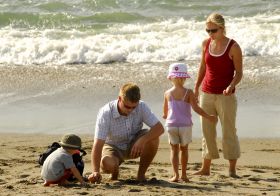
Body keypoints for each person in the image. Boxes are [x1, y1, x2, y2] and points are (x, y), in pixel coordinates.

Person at [193, 13, 243, 177]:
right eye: (207, 30)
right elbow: (202, 68)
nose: (210, 34)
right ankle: (206, 168)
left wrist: (231, 85)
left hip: (225, 96)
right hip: (206, 93)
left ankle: (232, 169)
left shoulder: (233, 47)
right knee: (207, 131)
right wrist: (196, 87)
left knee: (228, 131)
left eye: (213, 30)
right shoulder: (206, 44)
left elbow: (239, 73)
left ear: (222, 28)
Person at [88, 82, 164, 183]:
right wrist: (95, 171)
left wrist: (142, 140)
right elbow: (98, 144)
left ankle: (141, 176)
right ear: (119, 99)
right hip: (113, 147)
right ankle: (114, 176)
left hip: (134, 144)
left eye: (134, 107)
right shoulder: (106, 112)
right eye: (127, 107)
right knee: (108, 163)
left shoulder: (141, 106)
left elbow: (159, 128)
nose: (131, 110)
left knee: (154, 138)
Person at [163, 63, 218, 182]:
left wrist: (167, 115)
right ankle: (183, 175)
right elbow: (196, 108)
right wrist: (208, 116)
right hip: (185, 125)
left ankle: (175, 175)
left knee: (174, 150)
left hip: (171, 124)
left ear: (170, 77)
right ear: (184, 78)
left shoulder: (167, 93)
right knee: (184, 149)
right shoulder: (188, 93)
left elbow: (165, 113)